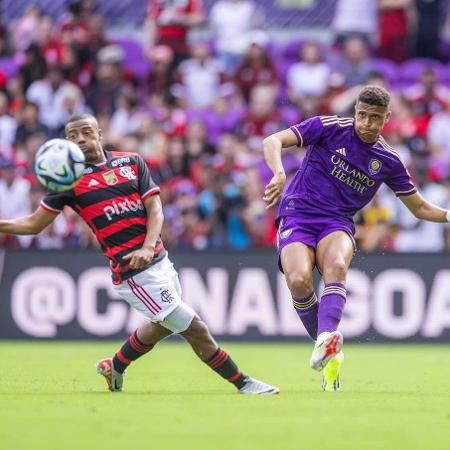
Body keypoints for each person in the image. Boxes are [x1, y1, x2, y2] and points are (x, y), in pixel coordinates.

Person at [0, 113, 279, 395]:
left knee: (162, 326)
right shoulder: (69, 181)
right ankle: (242, 383)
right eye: (73, 136)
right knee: (193, 327)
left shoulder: (131, 162)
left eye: (86, 132)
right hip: (132, 273)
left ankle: (115, 366)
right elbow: (34, 223)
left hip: (159, 259)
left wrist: (149, 246)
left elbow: (155, 209)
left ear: (99, 132)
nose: (81, 139)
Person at [262, 85, 450, 392]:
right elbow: (272, 140)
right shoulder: (328, 128)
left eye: (375, 118)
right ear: (355, 112)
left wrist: (448, 215)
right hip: (298, 213)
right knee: (299, 280)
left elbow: (419, 207)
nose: (366, 123)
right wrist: (279, 173)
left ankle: (326, 344)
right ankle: (329, 352)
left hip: (337, 222)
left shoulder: (388, 160)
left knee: (336, 265)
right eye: (362, 115)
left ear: (386, 119)